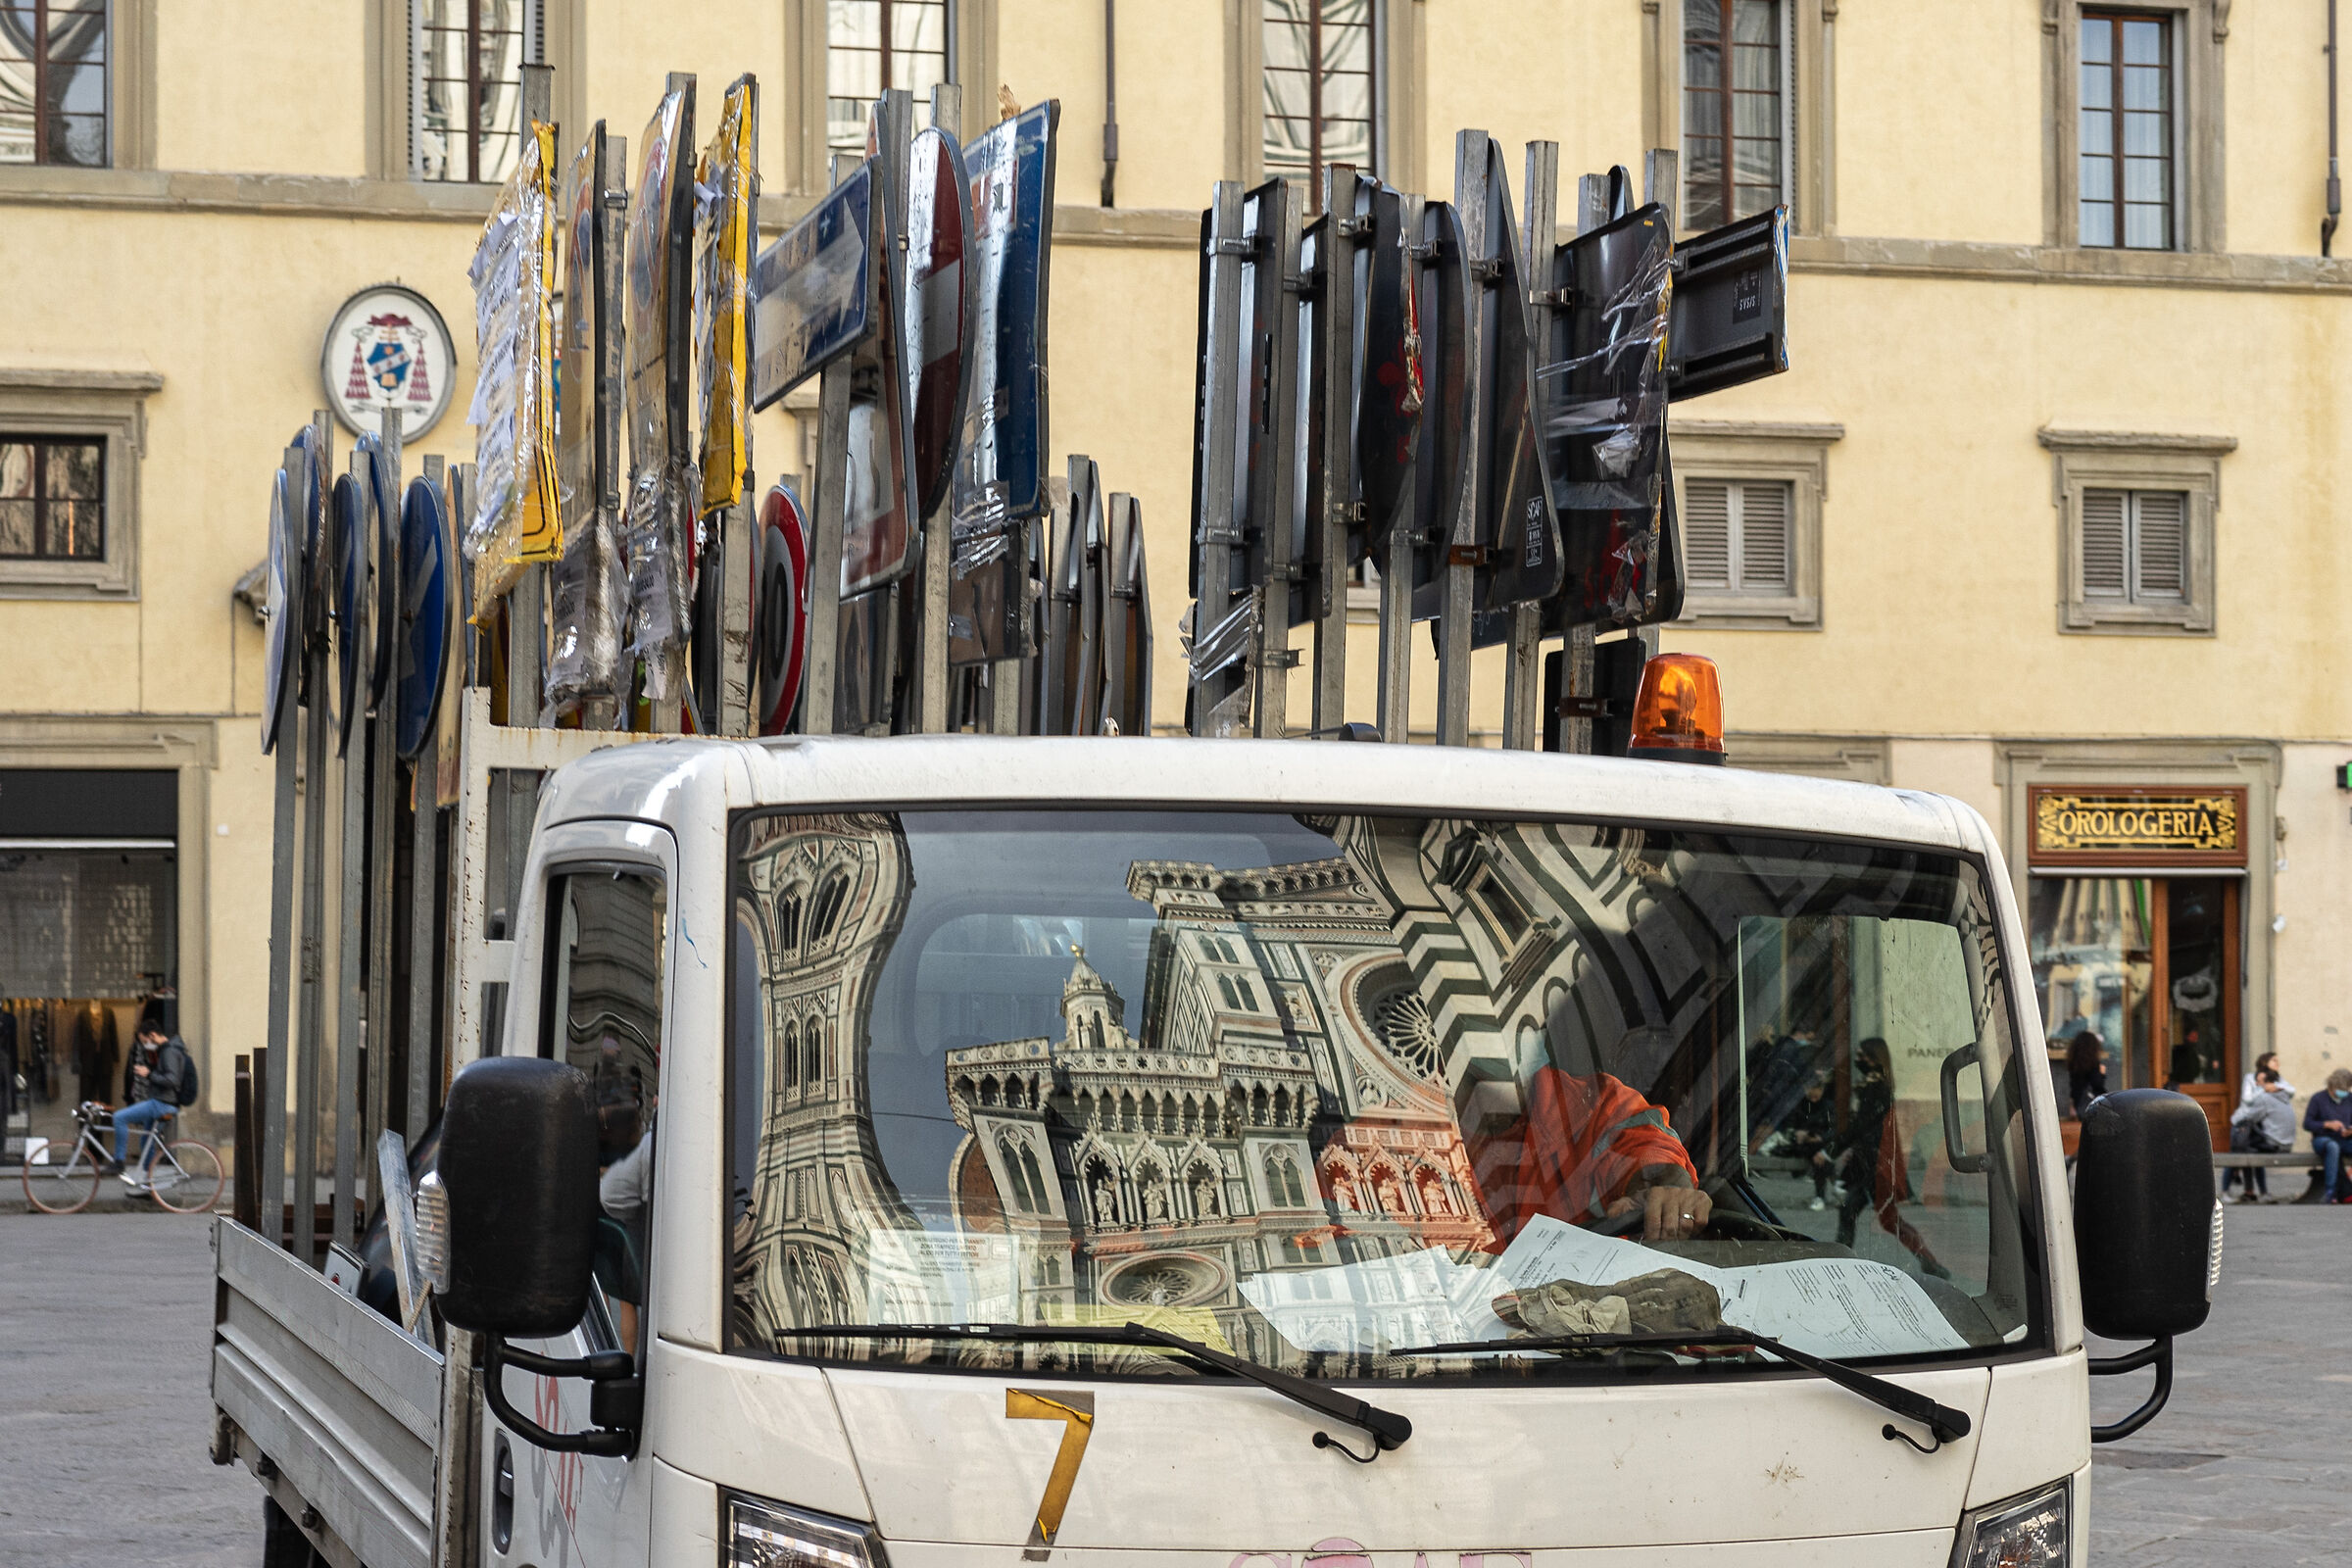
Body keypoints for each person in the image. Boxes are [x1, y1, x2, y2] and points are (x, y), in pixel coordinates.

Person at [1818, 1037, 1950, 1279]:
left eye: (1864, 1057)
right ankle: (1928, 1262)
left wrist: (1830, 1151)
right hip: (1873, 1161)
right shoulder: (1875, 1086)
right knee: (1887, 1219)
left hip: (1875, 1164)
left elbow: (1860, 1125)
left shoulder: (1877, 1089)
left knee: (1853, 1211)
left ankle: (1837, 1264)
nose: (1859, 1061)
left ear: (1875, 1059)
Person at [112, 1022, 189, 1183]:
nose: (144, 1045)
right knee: (146, 1140)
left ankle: (119, 1162)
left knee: (119, 1117)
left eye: (144, 1041)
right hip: (165, 1101)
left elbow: (172, 1080)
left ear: (152, 1035)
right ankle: (149, 1181)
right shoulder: (167, 1050)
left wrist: (148, 1074)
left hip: (162, 1103)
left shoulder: (169, 1052)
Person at [2226, 1066, 2296, 1203]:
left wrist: (2235, 1120)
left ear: (2270, 1083)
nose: (2258, 1085)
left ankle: (2245, 1190)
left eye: (2261, 1082)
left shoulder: (2264, 1098)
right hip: (2287, 1144)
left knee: (2241, 1149)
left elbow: (2250, 1117)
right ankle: (2260, 1192)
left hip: (2274, 1144)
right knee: (2249, 1148)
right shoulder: (2284, 1097)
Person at [1774, 1072, 1836, 1209]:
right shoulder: (1798, 1105)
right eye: (1811, 1091)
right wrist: (1797, 1133)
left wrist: (1821, 1137)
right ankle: (1823, 1193)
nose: (1814, 1095)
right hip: (1803, 1145)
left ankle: (1820, 1196)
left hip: (1818, 1143)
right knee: (1819, 1154)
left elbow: (1832, 1129)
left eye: (1818, 1091)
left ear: (1822, 1090)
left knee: (1818, 1154)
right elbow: (1790, 1126)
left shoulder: (1828, 1106)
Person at [2302, 1068, 2352, 1204]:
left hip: (2344, 1138)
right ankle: (2331, 1191)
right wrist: (2327, 1124)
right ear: (2331, 1086)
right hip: (2323, 1139)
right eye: (2339, 1089)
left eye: (2345, 1090)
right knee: (2333, 1147)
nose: (2342, 1093)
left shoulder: (2349, 1099)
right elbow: (2307, 1123)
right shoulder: (2318, 1099)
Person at [2066, 1026, 2107, 1120]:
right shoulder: (2094, 1065)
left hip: (2079, 1103)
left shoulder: (2075, 1065)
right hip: (2094, 1104)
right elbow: (2097, 1085)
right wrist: (2102, 1074)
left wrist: (2072, 1105)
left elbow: (2074, 1088)